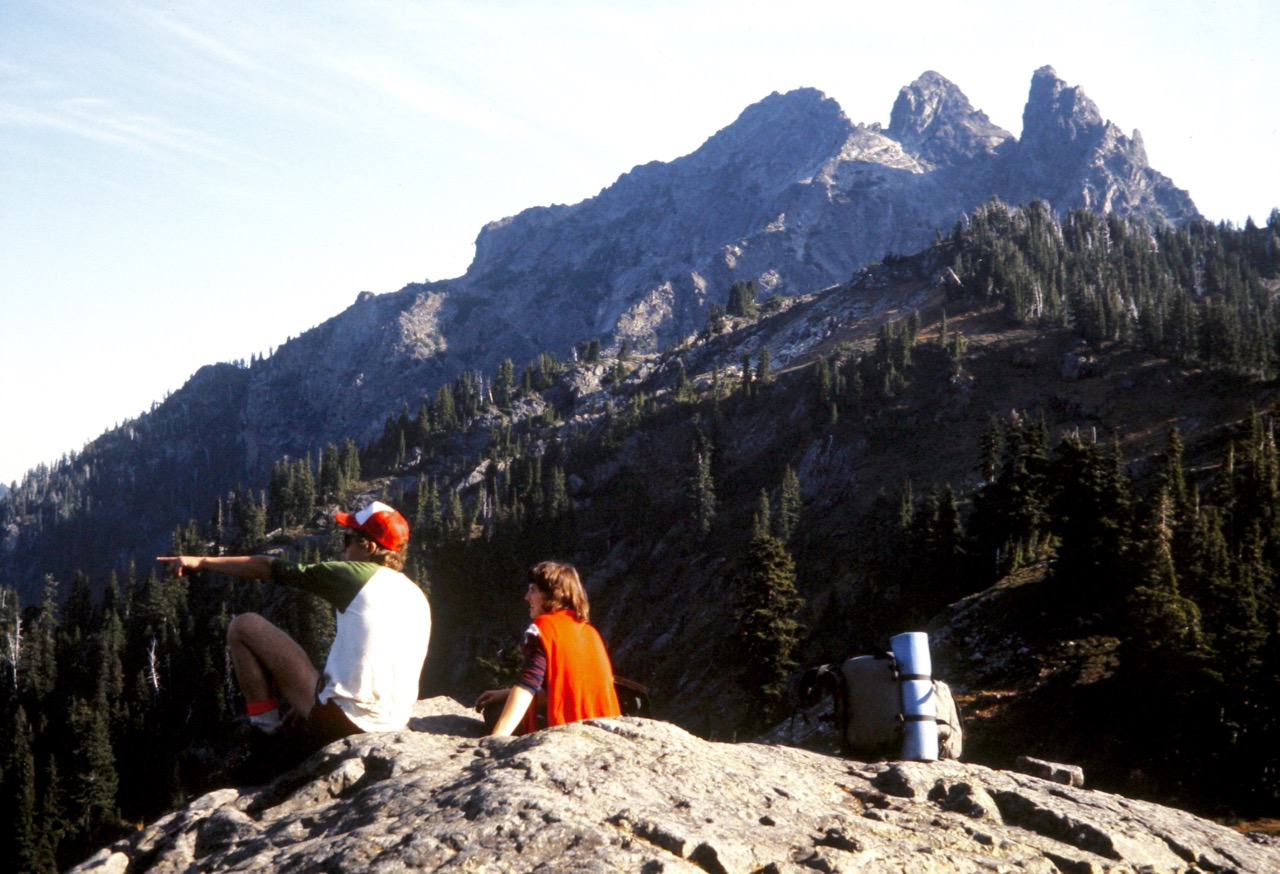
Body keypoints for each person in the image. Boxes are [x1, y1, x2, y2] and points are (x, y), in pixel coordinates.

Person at [158, 500, 431, 751]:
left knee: (244, 626)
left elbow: (268, 567)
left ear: (369, 548)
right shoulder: (415, 594)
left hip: (348, 723)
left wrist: (202, 561)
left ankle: (265, 736)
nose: (343, 548)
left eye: (347, 540)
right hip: (395, 721)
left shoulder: (354, 576)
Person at [476, 561, 621, 736]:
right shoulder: (589, 631)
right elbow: (566, 691)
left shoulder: (544, 628)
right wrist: (506, 693)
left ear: (553, 596)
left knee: (494, 712)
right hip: (605, 727)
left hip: (571, 730)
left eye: (533, 590)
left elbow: (527, 685)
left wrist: (497, 737)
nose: (527, 597)